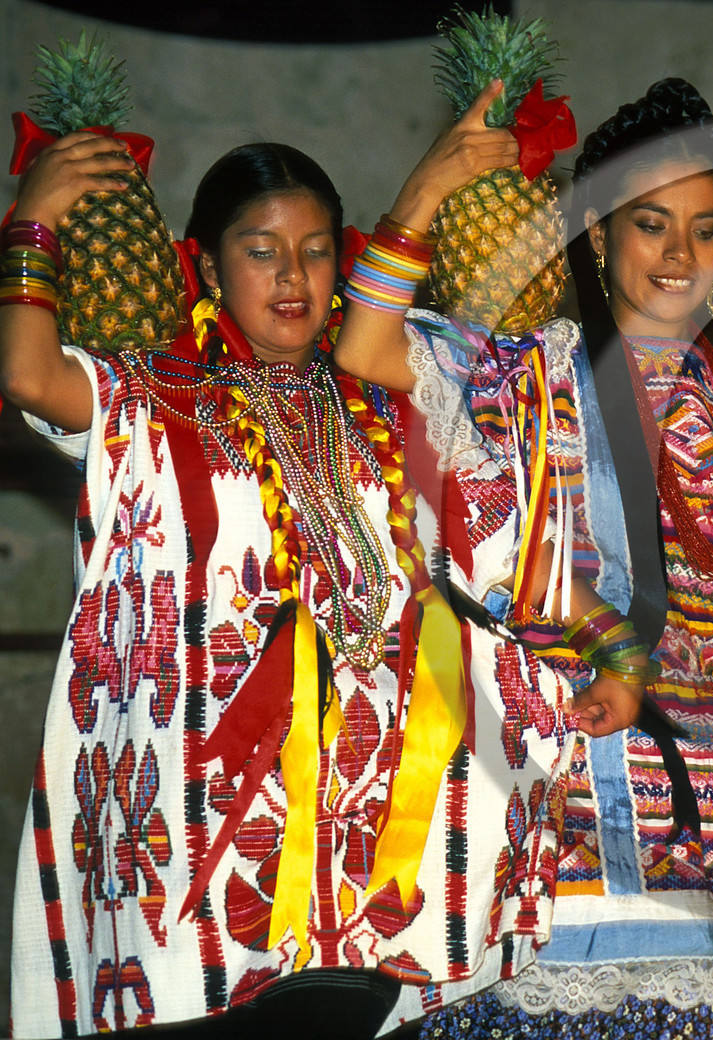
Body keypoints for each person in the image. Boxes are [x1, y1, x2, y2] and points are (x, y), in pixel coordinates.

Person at [2, 85, 576, 1037]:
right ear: (208, 265)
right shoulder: (156, 399)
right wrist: (33, 225)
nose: (293, 275)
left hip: (380, 845)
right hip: (209, 833)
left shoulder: (389, 398)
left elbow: (505, 542)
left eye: (315, 250)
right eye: (261, 250)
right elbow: (28, 374)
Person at [333, 77, 713, 1039]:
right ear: (597, 235)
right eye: (650, 224)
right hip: (555, 854)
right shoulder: (523, 376)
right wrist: (424, 193)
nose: (678, 254)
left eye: (704, 230)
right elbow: (366, 348)